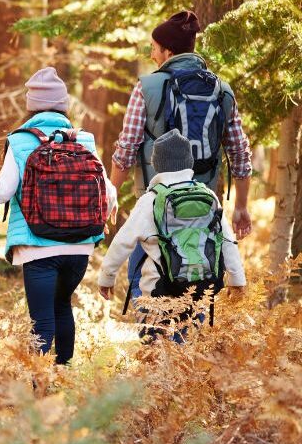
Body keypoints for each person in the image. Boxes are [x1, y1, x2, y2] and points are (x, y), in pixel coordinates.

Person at [0, 67, 117, 365]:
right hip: (80, 247)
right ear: (63, 104)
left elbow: (2, 192)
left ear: (31, 105)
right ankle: (63, 376)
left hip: (37, 245)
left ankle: (39, 390)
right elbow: (107, 189)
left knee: (41, 321)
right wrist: (105, 216)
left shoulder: (20, 141)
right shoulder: (85, 140)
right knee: (63, 307)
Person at [109, 10, 253, 300]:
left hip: (156, 208)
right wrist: (241, 206)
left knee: (147, 281)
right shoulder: (221, 91)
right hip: (203, 209)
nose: (151, 55)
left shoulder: (147, 88)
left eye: (153, 48)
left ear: (168, 50)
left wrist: (112, 192)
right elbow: (239, 152)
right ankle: (188, 343)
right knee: (197, 287)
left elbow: (126, 148)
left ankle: (156, 340)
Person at [99, 130, 246, 341]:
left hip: (159, 291)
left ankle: (159, 368)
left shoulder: (150, 200)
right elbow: (227, 241)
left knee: (157, 346)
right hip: (200, 287)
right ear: (189, 163)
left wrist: (107, 277)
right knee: (187, 344)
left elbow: (122, 243)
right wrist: (237, 280)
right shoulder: (207, 194)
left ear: (156, 164)